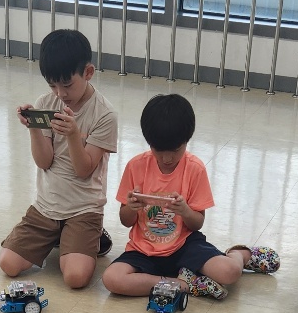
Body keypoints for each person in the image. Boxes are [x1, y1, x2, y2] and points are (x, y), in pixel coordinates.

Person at [101, 93, 277, 302]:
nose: (167, 158)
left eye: (175, 150)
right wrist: (131, 207)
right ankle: (184, 283)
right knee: (112, 279)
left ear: (187, 140)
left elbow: (197, 223)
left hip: (184, 246)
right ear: (149, 142)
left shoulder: (194, 169)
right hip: (143, 250)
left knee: (228, 272)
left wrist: (185, 211)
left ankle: (240, 254)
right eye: (158, 150)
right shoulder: (135, 166)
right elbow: (125, 220)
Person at [0, 29, 118, 290]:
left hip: (84, 208)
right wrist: (33, 127)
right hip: (47, 206)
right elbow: (44, 162)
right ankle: (59, 236)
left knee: (75, 278)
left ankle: (85, 235)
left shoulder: (104, 114)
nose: (61, 93)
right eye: (53, 85)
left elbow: (84, 169)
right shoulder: (47, 102)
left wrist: (73, 135)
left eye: (67, 84)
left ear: (88, 72)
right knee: (8, 264)